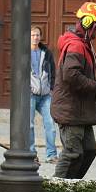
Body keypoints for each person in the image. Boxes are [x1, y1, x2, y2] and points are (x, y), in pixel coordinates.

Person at [50, 1, 96, 179]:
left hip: (80, 111)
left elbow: (82, 78)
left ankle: (73, 187)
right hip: (71, 112)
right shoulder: (76, 46)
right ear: (88, 24)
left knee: (88, 151)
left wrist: (95, 101)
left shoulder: (83, 44)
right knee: (72, 153)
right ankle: (55, 190)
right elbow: (71, 76)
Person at [29, 25, 58, 164]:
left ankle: (51, 155)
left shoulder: (46, 52)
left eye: (37, 35)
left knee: (50, 124)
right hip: (30, 94)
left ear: (40, 37)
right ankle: (31, 155)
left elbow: (53, 70)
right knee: (29, 125)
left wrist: (51, 88)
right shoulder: (23, 53)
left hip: (45, 95)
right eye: (33, 35)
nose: (35, 37)